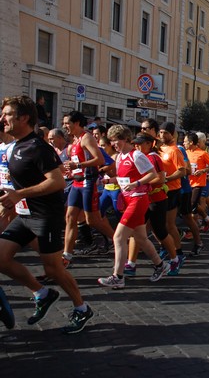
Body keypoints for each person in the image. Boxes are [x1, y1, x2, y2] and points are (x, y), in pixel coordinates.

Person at [0, 95, 94, 334]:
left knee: (53, 269)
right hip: (24, 214)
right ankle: (42, 293)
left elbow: (57, 182)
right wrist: (10, 200)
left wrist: (19, 194)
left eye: (8, 114)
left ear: (24, 118)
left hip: (45, 217)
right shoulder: (14, 145)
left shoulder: (37, 147)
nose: (3, 119)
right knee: (0, 258)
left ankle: (82, 309)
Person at [97, 126, 169, 288]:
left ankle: (118, 276)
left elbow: (153, 175)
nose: (113, 144)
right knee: (141, 239)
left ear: (124, 139)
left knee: (118, 237)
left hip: (138, 200)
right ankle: (160, 265)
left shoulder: (136, 155)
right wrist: (109, 181)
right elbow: (123, 179)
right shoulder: (120, 157)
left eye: (115, 140)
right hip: (129, 199)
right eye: (111, 141)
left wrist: (137, 183)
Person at [62, 111, 114, 266]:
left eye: (67, 123)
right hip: (76, 182)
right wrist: (71, 170)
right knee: (70, 217)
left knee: (93, 220)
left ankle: (118, 240)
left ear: (77, 123)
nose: (65, 127)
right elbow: (78, 162)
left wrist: (78, 165)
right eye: (64, 124)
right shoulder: (75, 141)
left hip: (87, 183)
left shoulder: (86, 138)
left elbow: (99, 159)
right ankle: (67, 255)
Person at [159, 122, 187, 272]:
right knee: (159, 224)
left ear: (172, 134)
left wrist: (167, 179)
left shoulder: (175, 150)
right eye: (161, 132)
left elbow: (182, 171)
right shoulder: (159, 148)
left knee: (169, 224)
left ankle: (179, 252)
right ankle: (165, 247)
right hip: (160, 190)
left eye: (165, 133)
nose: (162, 135)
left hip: (172, 190)